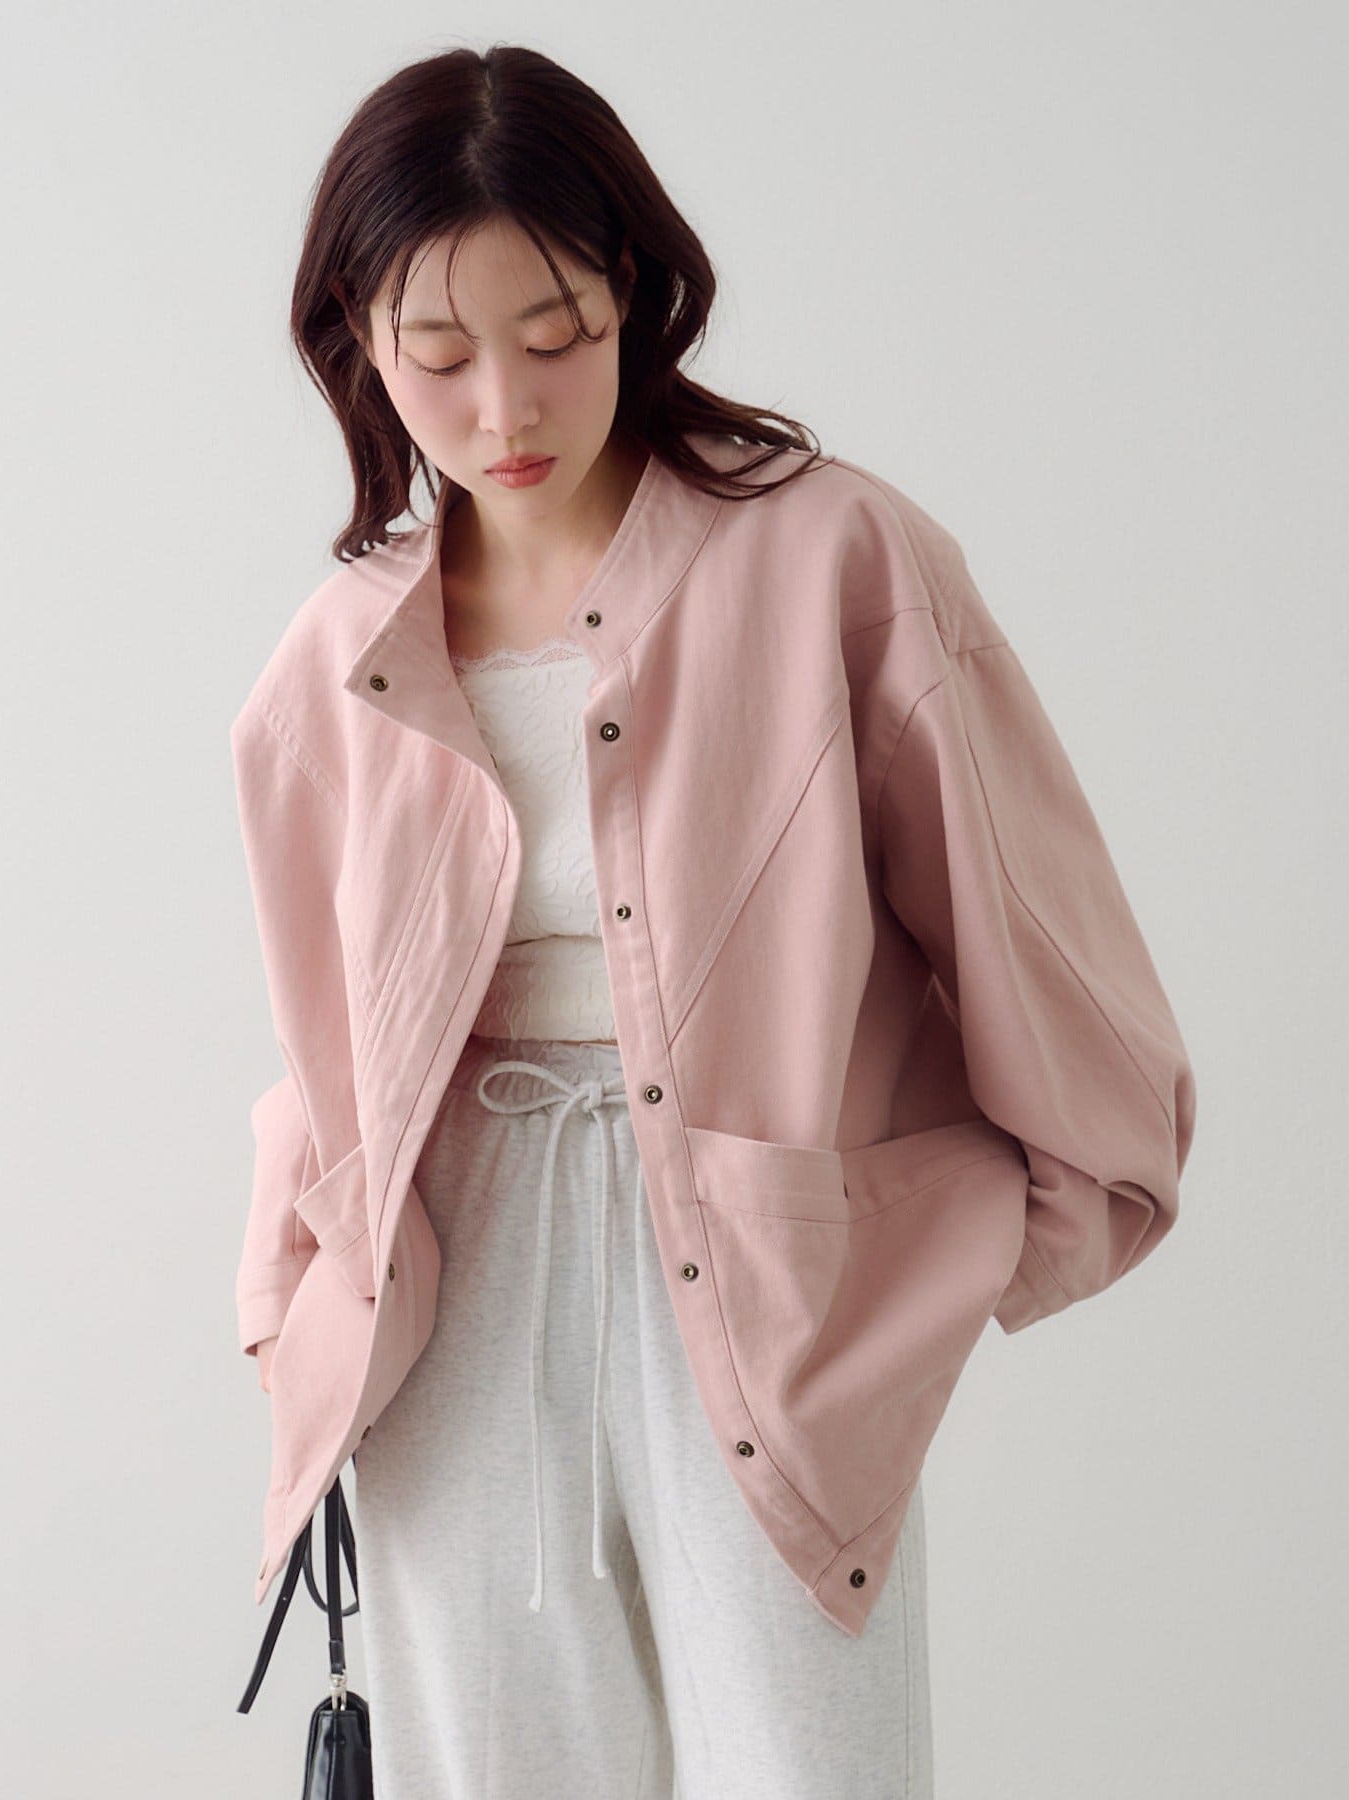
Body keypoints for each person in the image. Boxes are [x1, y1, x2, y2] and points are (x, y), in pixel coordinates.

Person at [232, 43, 1195, 1800]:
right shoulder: (339, 654)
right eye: (438, 355)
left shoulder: (835, 558)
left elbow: (1034, 932)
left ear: (637, 291)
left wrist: (967, 1255)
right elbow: (330, 1038)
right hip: (456, 1278)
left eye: (557, 331)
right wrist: (287, 1294)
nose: (505, 409)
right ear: (358, 343)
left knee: (811, 1770)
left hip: (760, 1266)